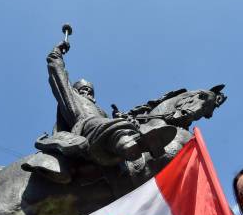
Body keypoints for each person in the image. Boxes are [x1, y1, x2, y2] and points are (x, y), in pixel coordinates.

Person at [41, 40, 177, 166]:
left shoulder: (101, 111)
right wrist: (56, 53)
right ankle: (127, 145)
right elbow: (58, 74)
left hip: (103, 127)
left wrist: (119, 117)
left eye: (90, 90)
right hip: (84, 128)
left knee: (120, 124)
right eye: (83, 89)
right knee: (103, 125)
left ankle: (145, 142)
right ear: (75, 91)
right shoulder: (70, 97)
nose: (87, 92)